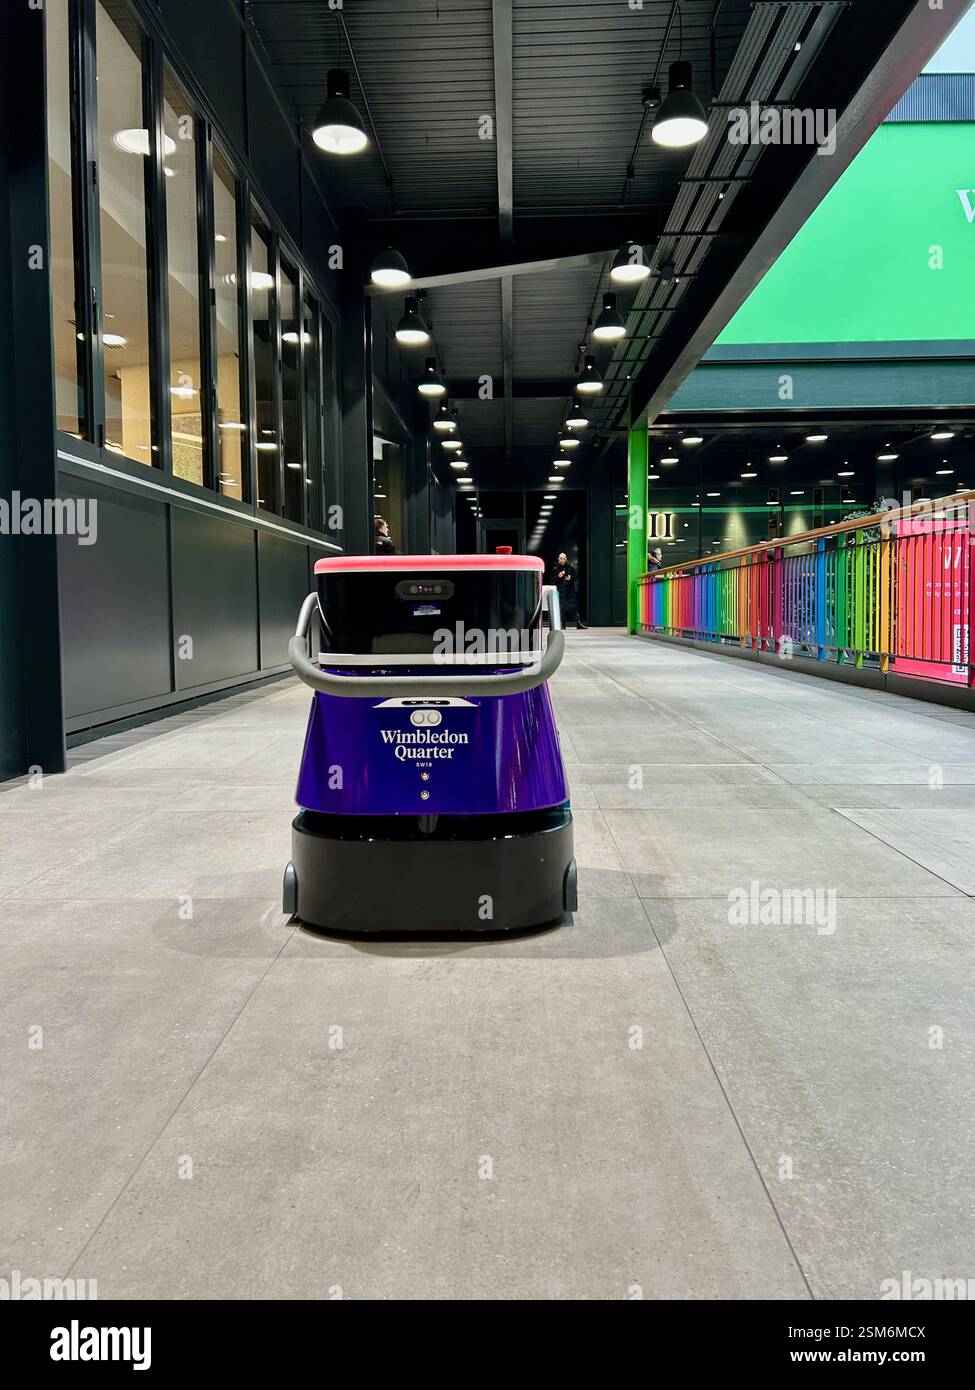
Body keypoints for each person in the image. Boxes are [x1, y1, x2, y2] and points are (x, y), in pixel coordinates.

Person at [552, 551, 587, 629]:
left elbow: (576, 578)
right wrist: (558, 576)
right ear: (558, 559)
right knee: (561, 608)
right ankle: (562, 624)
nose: (562, 560)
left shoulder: (570, 568)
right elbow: (552, 581)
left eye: (564, 559)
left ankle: (578, 623)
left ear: (566, 559)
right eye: (561, 558)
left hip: (570, 591)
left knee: (574, 607)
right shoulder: (555, 569)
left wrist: (570, 578)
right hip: (560, 591)